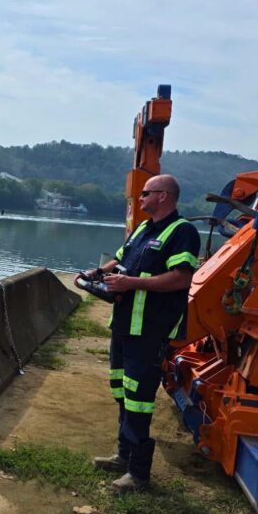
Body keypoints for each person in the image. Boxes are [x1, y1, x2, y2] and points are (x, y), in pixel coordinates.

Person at [84, 174, 200, 492]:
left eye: (146, 194)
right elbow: (120, 261)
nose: (141, 198)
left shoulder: (183, 232)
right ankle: (123, 456)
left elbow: (181, 278)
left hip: (150, 332)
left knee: (139, 401)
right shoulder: (143, 229)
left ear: (163, 196)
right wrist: (97, 273)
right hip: (124, 327)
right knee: (122, 393)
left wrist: (132, 283)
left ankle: (138, 474)